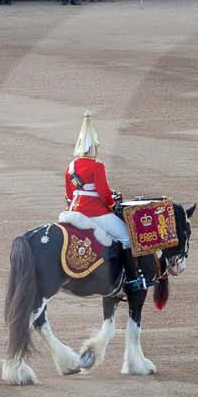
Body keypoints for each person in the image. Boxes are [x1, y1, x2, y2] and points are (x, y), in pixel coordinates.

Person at [59, 111, 146, 297]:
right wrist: (111, 202)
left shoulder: (71, 166)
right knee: (127, 238)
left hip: (74, 209)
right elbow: (103, 192)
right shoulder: (97, 165)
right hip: (93, 211)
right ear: (93, 148)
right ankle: (132, 278)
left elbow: (68, 193)